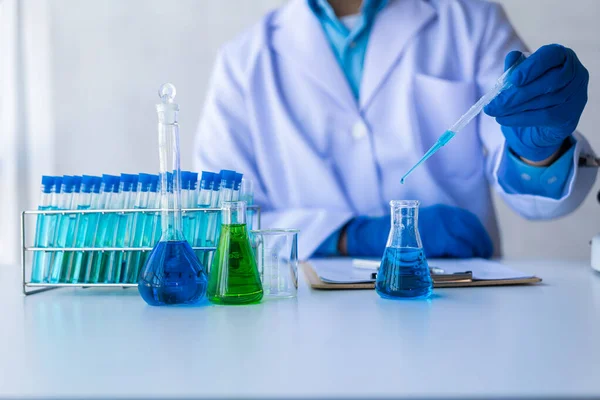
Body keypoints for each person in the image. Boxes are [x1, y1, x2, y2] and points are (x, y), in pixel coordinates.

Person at [195, 0, 596, 260]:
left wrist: (539, 150)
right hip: (308, 313)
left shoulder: (470, 21)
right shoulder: (243, 62)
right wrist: (347, 237)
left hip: (458, 305)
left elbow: (529, 184)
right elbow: (215, 222)